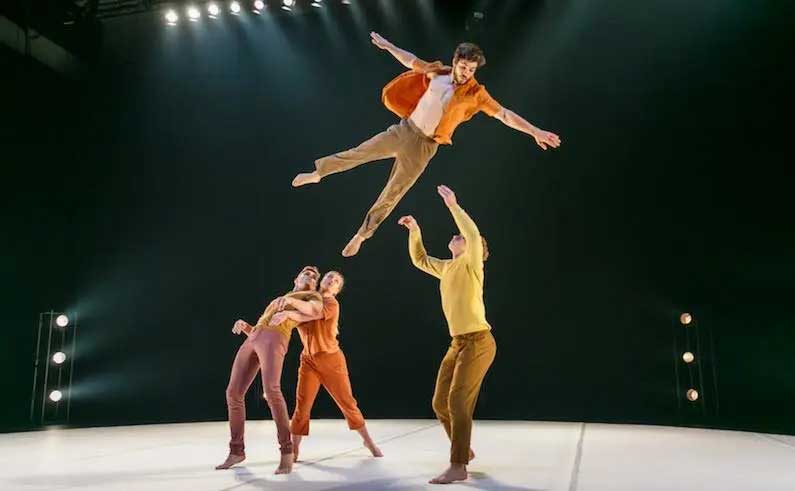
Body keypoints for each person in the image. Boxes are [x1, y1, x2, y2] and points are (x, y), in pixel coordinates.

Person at [293, 32, 561, 257]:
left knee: (394, 191)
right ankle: (318, 173)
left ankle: (362, 235)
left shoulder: (476, 94)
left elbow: (504, 114)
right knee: (358, 153)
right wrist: (388, 46)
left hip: (424, 147)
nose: (467, 73)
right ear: (456, 62)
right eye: (464, 67)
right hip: (403, 130)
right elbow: (411, 60)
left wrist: (535, 131)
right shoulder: (438, 73)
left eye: (472, 70)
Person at [398, 185, 496, 484]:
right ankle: (463, 449)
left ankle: (458, 465)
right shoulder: (447, 267)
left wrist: (454, 206)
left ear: (475, 248)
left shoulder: (471, 264)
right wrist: (414, 230)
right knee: (440, 403)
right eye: (458, 235)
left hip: (478, 341)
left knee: (457, 401)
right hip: (458, 343)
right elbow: (420, 260)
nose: (458, 236)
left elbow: (472, 230)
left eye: (463, 237)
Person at [215, 266, 322, 474]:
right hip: (255, 338)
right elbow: (260, 328)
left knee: (272, 391)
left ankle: (287, 451)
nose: (310, 276)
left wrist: (291, 304)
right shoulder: (282, 297)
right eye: (306, 273)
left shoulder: (311, 296)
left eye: (313, 276)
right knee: (233, 393)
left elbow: (315, 311)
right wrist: (247, 327)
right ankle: (236, 451)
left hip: (275, 338)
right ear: (296, 278)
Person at [269, 271, 383, 463]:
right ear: (322, 281)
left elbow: (310, 316)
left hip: (331, 360)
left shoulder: (331, 304)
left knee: (347, 402)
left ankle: (368, 441)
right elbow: (284, 322)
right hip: (308, 361)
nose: (332, 280)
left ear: (337, 290)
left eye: (336, 281)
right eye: (329, 277)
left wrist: (288, 311)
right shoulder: (307, 299)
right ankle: (295, 449)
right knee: (302, 407)